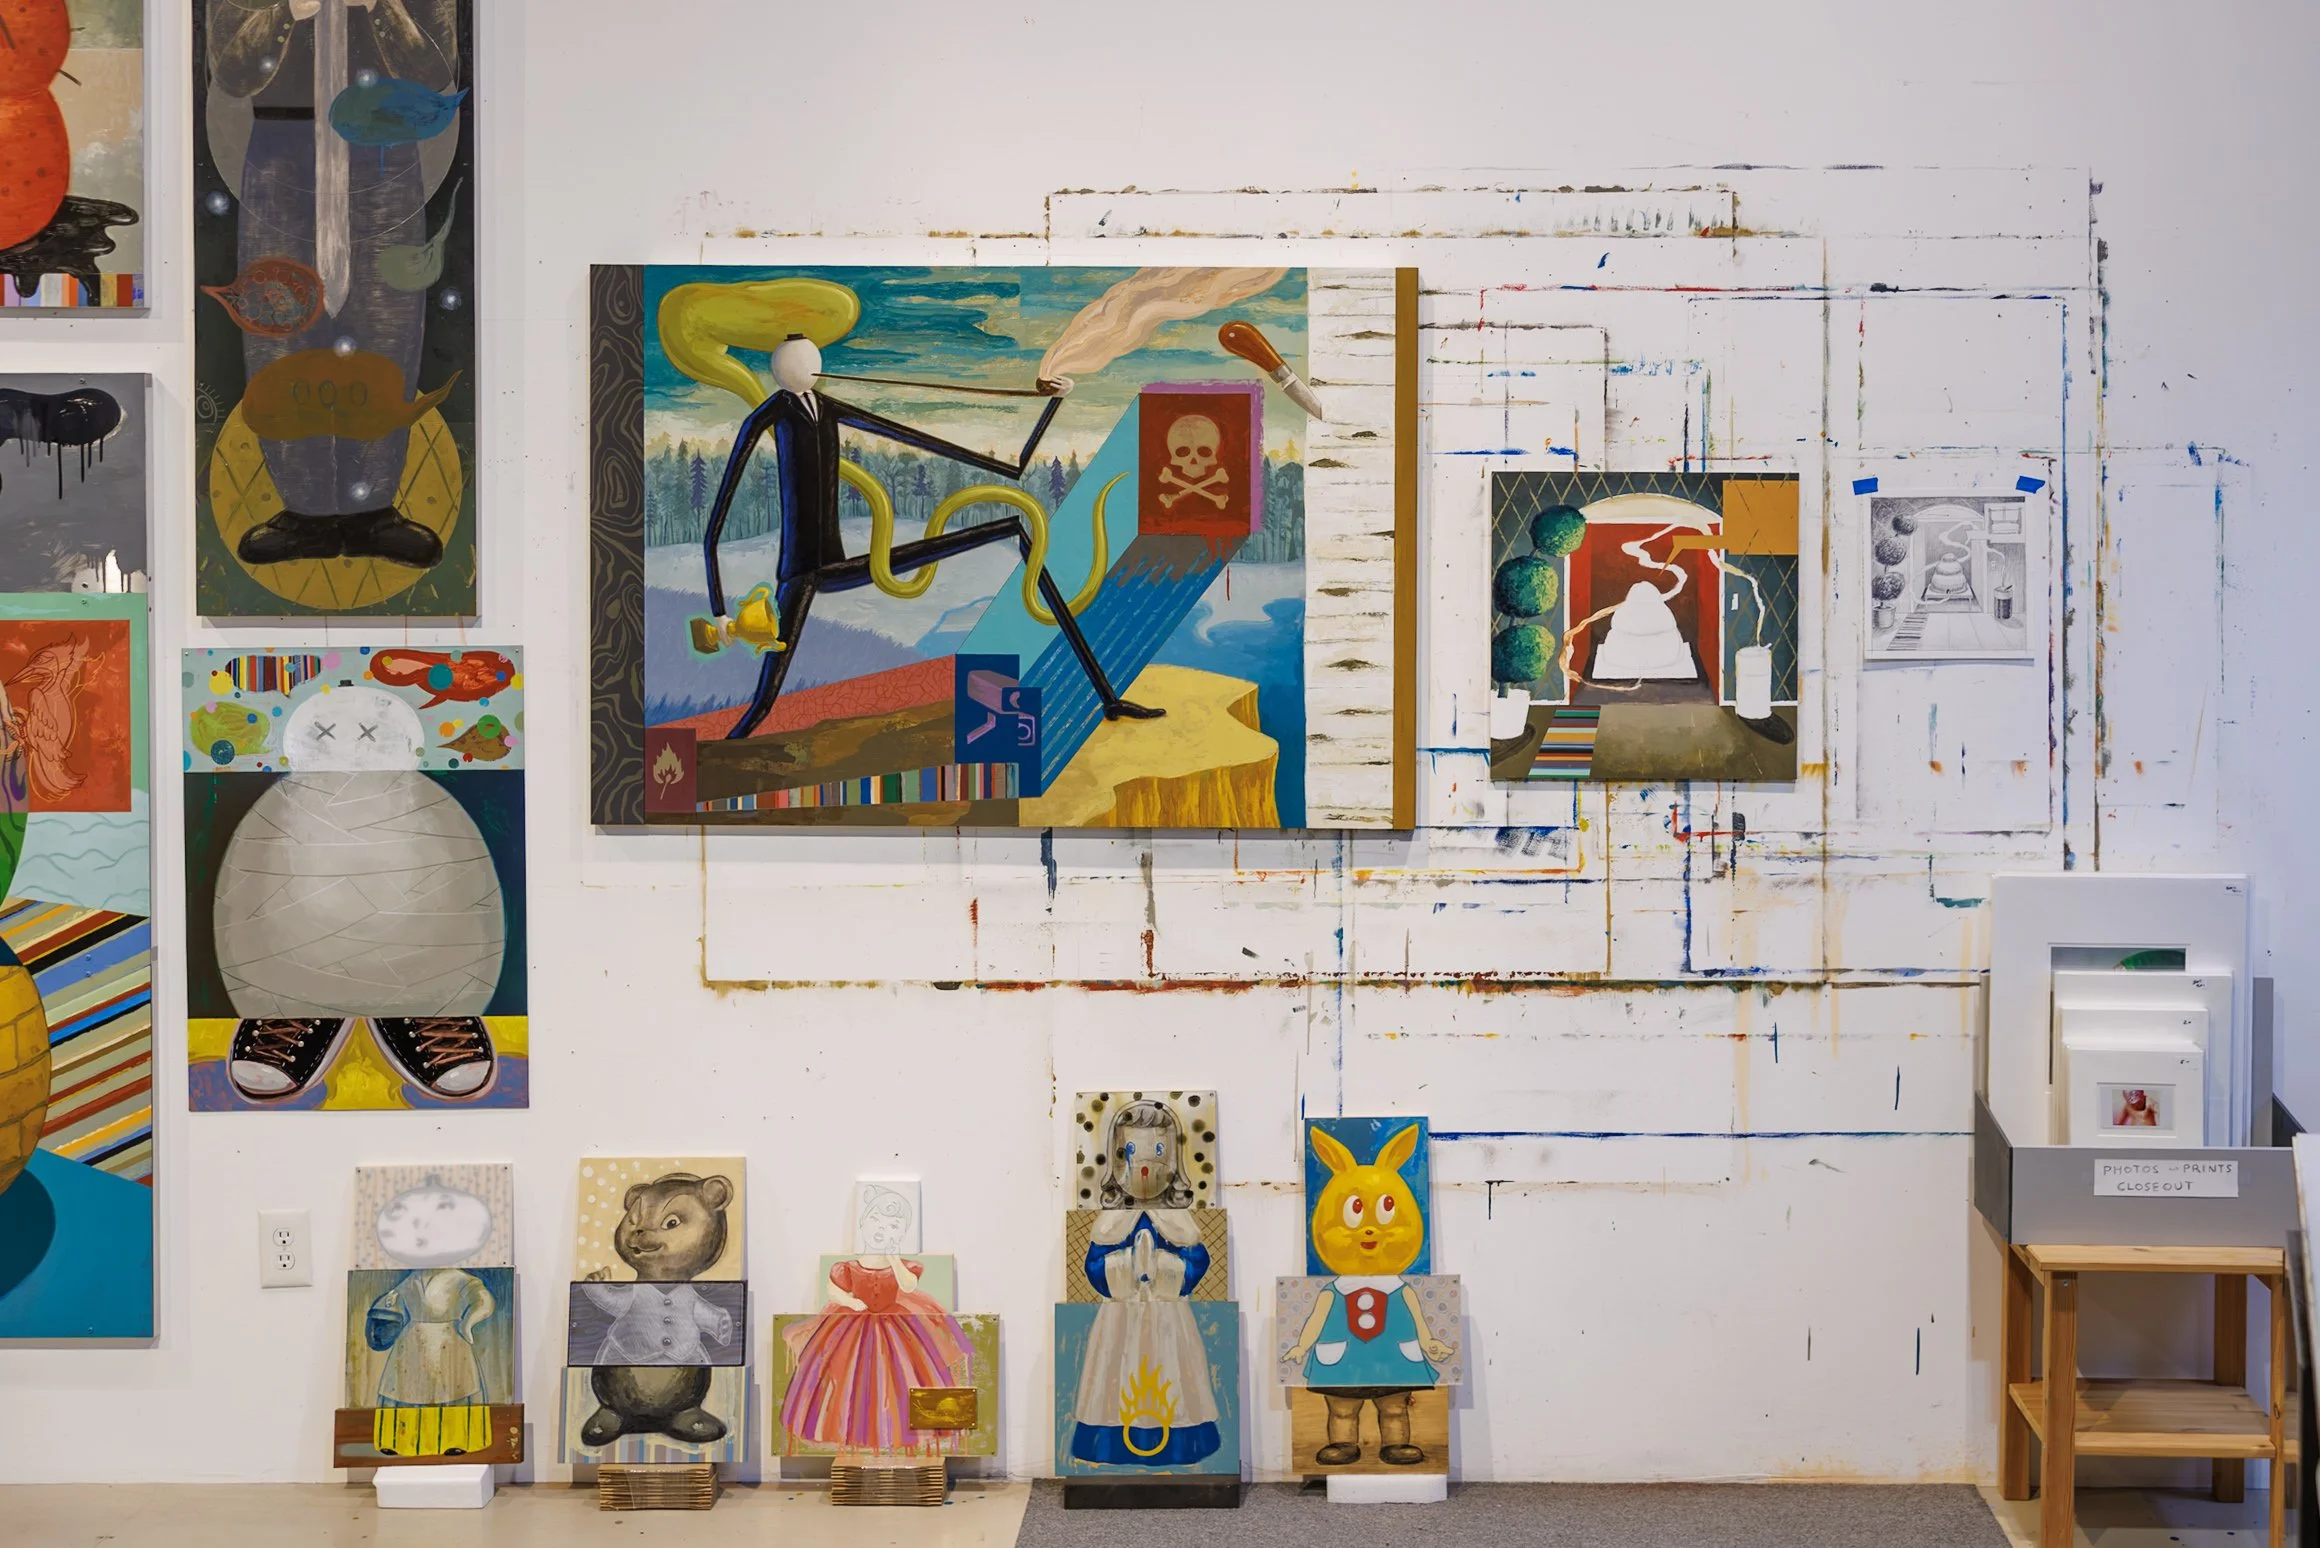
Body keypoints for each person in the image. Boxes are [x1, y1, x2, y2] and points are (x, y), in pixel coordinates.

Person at [697, 331, 1161, 739]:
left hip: (841, 566)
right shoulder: (770, 415)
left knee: (1014, 526)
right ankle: (721, 757)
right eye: (799, 359)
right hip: (800, 574)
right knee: (763, 701)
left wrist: (1054, 402)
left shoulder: (829, 407)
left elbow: (1009, 468)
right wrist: (719, 612)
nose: (806, 365)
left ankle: (1108, 698)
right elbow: (714, 526)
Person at [1069, 1100, 1222, 1465]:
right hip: (1120, 1318)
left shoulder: (1180, 1221)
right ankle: (1112, 1443)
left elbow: (1197, 1262)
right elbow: (1094, 1267)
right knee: (1113, 1374)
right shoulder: (1110, 1222)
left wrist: (1164, 1268)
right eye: (1133, 1152)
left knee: (1174, 1371)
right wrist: (1125, 1268)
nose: (1144, 1167)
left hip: (1168, 1317)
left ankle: (1179, 1443)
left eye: (1156, 1152)